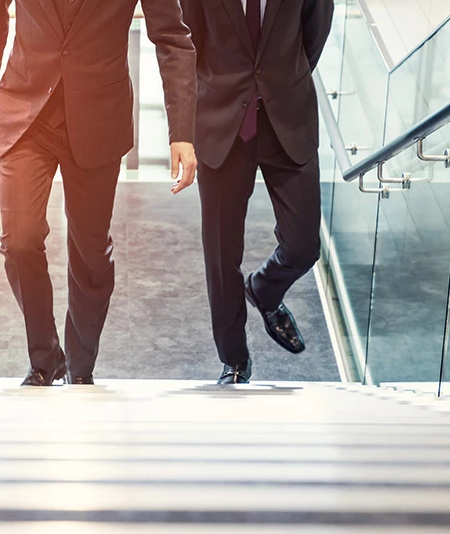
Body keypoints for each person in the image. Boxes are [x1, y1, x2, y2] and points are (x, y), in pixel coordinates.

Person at [0, 0, 198, 386]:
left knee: (90, 253)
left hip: (99, 114)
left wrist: (182, 132)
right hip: (27, 109)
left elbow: (172, 39)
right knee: (19, 240)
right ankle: (45, 358)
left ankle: (80, 363)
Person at [180, 0, 334, 384]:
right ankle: (234, 359)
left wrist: (279, 82)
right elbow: (189, 41)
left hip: (288, 113)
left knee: (303, 246)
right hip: (222, 119)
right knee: (220, 253)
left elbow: (316, 30)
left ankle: (264, 288)